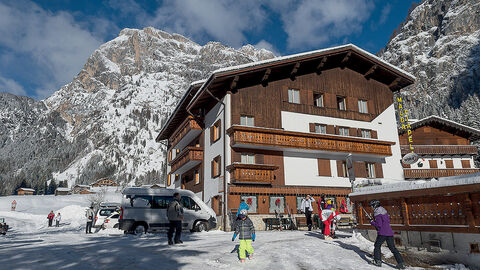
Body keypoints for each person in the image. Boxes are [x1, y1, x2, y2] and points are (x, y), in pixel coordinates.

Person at [368, 200, 405, 269]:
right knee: (393, 248)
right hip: (389, 232)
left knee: (377, 245)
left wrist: (372, 222)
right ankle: (401, 263)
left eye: (372, 206)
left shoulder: (377, 212)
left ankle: (377, 261)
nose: (372, 207)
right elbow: (386, 222)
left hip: (382, 232)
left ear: (375, 205)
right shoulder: (384, 211)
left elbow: (379, 225)